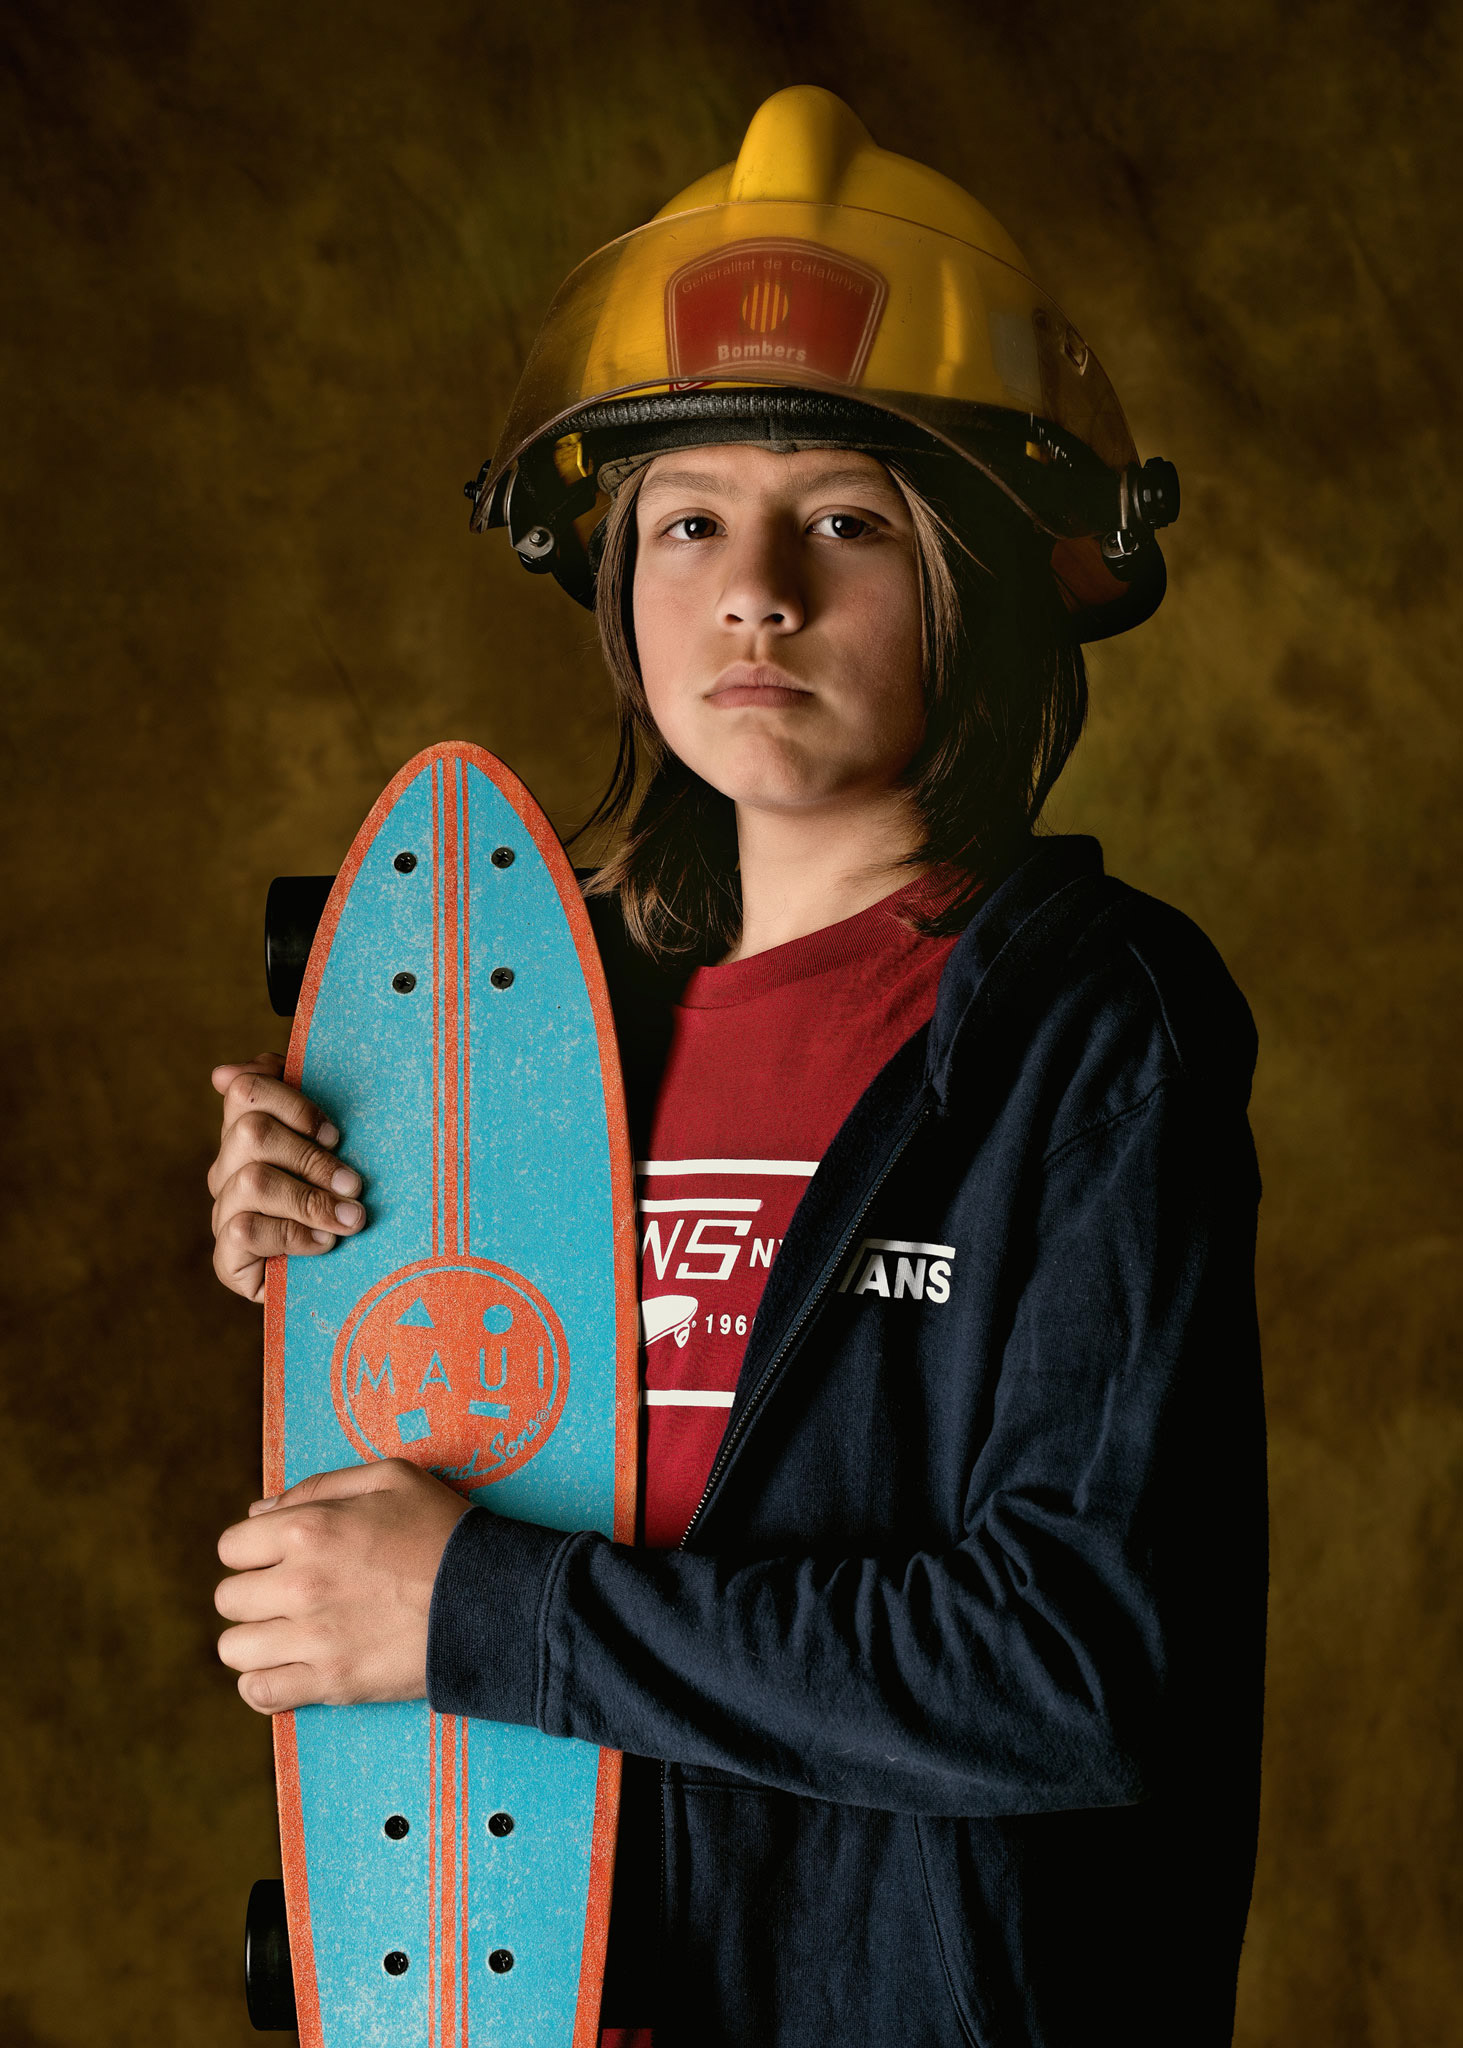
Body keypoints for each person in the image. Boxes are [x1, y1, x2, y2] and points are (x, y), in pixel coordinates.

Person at [208, 87, 1266, 2047]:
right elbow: (438, 1529)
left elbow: (1071, 1667)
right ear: (618, 580)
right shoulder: (531, 1034)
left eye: (845, 520)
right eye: (689, 518)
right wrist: (340, 1253)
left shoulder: (1083, 1033)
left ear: (985, 578)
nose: (755, 586)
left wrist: (477, 1610)